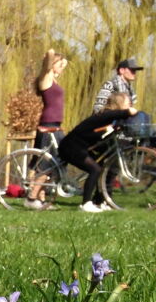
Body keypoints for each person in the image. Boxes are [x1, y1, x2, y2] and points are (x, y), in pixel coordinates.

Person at [58, 92, 136, 213]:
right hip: (71, 147)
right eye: (127, 103)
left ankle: (98, 201)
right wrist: (129, 112)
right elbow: (123, 113)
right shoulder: (105, 114)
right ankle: (85, 204)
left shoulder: (112, 119)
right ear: (119, 104)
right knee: (95, 169)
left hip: (81, 147)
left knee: (102, 168)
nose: (129, 105)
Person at [26, 50, 69, 210]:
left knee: (57, 161)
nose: (62, 67)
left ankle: (41, 200)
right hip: (48, 124)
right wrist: (51, 55)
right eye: (59, 64)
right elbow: (47, 65)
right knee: (46, 164)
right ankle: (31, 198)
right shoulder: (45, 79)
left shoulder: (54, 79)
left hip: (55, 125)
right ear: (51, 65)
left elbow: (64, 63)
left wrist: (62, 60)